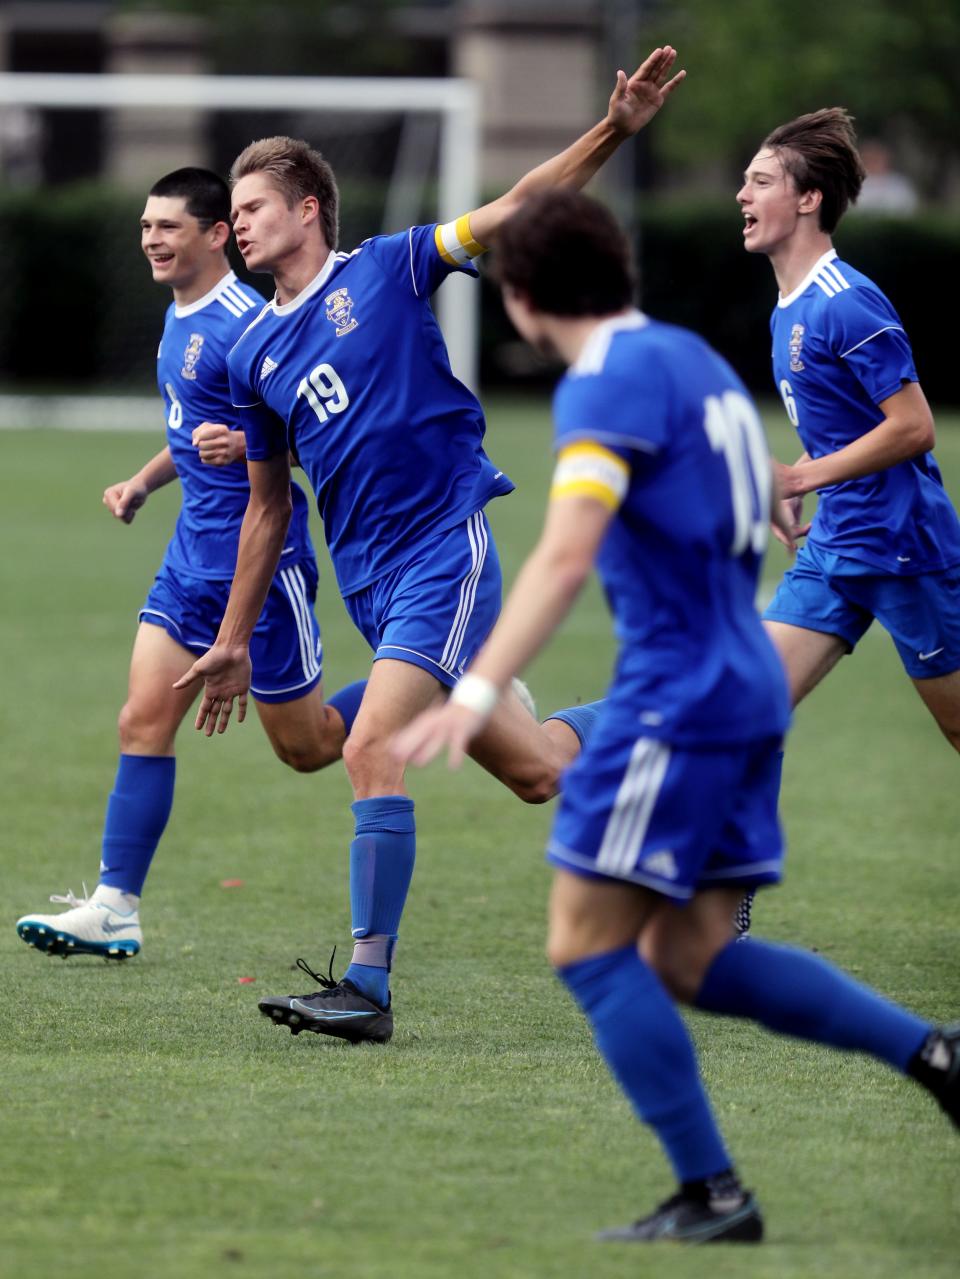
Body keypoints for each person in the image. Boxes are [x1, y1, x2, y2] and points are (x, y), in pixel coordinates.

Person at [393, 189, 960, 1243]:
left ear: (519, 298)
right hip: (747, 682)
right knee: (692, 959)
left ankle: (714, 1192)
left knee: (587, 946)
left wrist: (474, 690)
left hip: (677, 702)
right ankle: (936, 1056)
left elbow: (565, 551)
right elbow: (760, 501)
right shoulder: (693, 359)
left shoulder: (602, 383)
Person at [173, 48, 687, 1043]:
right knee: (538, 772)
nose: (235, 223)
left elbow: (521, 202)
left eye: (254, 206)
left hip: (443, 554)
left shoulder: (391, 265)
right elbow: (267, 508)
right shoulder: (250, 354)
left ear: (310, 209)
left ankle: (367, 988)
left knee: (368, 745)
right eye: (231, 211)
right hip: (372, 585)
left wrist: (617, 127)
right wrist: (236, 636)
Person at [16, 167, 365, 961]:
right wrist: (145, 479)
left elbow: (328, 427)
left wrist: (250, 444)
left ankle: (437, 680)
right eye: (145, 225)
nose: (151, 238)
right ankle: (114, 906)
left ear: (216, 236)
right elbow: (192, 427)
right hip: (189, 560)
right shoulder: (182, 317)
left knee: (306, 747)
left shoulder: (255, 327)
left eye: (168, 226)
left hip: (260, 567)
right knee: (141, 719)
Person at [734, 109, 960, 931]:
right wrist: (808, 487)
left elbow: (914, 425)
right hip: (839, 546)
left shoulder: (847, 301)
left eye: (760, 181)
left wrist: (801, 473)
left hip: (904, 548)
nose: (742, 194)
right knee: (751, 698)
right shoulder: (785, 307)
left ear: (807, 199)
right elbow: (841, 427)